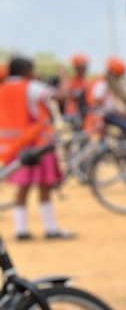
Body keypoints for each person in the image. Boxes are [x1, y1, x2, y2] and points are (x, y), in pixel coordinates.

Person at [0, 56, 75, 240]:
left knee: (22, 189)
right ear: (26, 71)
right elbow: (62, 96)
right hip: (36, 146)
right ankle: (51, 229)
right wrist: (64, 77)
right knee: (44, 187)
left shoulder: (3, 89)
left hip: (14, 147)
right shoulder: (31, 87)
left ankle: (21, 230)